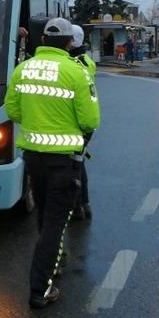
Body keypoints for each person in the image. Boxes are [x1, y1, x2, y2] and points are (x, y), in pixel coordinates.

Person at [5, 18, 100, 309]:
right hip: (63, 161)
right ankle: (40, 288)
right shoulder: (77, 72)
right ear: (70, 43)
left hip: (33, 157)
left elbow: (12, 110)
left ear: (43, 40)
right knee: (56, 223)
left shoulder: (23, 69)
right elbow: (90, 120)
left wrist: (36, 121)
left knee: (45, 215)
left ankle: (56, 260)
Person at [69, 25, 96, 221]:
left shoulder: (78, 63)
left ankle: (77, 206)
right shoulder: (87, 60)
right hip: (85, 121)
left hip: (77, 122)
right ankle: (84, 204)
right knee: (79, 163)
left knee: (74, 166)